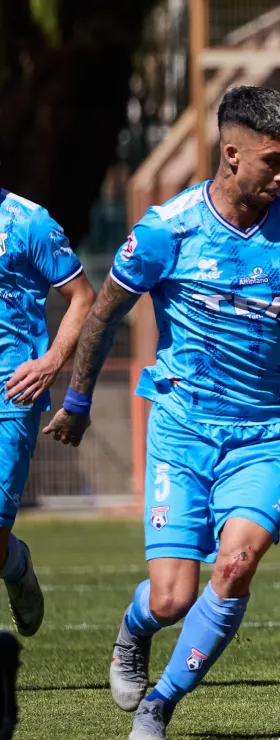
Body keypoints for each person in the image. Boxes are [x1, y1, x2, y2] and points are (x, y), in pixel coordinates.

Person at [43, 85, 280, 740]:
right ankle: (135, 630)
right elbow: (106, 309)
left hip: (267, 433)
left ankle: (161, 705)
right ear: (231, 154)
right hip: (182, 430)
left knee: (234, 565)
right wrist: (80, 400)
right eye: (273, 161)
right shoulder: (166, 229)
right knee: (172, 597)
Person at [0, 188, 95, 635]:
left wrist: (52, 361)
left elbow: (82, 296)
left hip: (11, 391)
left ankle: (15, 563)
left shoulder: (29, 221)